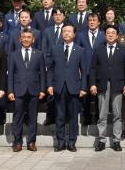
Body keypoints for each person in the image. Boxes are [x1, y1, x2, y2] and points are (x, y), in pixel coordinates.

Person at [89, 24, 125, 152]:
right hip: (102, 85)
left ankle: (116, 141)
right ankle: (101, 140)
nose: (111, 35)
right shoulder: (98, 49)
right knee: (102, 114)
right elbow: (92, 68)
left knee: (117, 114)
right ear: (105, 35)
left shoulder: (123, 50)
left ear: (117, 35)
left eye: (113, 33)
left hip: (118, 85)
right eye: (108, 33)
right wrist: (92, 84)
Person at [47, 24, 87, 152]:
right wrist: (49, 85)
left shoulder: (80, 50)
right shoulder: (55, 49)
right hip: (58, 87)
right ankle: (60, 142)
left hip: (74, 88)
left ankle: (72, 142)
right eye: (64, 31)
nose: (66, 33)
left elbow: (84, 71)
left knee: (73, 117)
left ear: (74, 34)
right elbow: (50, 69)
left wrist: (83, 88)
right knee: (60, 116)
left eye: (69, 31)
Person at [8, 28, 46, 152]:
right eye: (24, 37)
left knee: (32, 117)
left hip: (34, 90)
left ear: (33, 39)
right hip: (18, 90)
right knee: (17, 117)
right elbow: (11, 75)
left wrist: (42, 90)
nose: (26, 39)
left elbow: (42, 74)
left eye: (29, 37)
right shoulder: (13, 55)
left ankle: (31, 142)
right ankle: (17, 142)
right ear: (20, 39)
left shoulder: (39, 54)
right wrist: (10, 91)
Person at [75, 13, 106, 126]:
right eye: (90, 20)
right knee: (86, 96)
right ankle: (86, 118)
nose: (92, 22)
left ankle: (97, 118)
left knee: (99, 96)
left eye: (94, 20)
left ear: (99, 22)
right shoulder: (80, 35)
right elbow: (77, 52)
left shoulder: (104, 35)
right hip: (85, 70)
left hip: (100, 70)